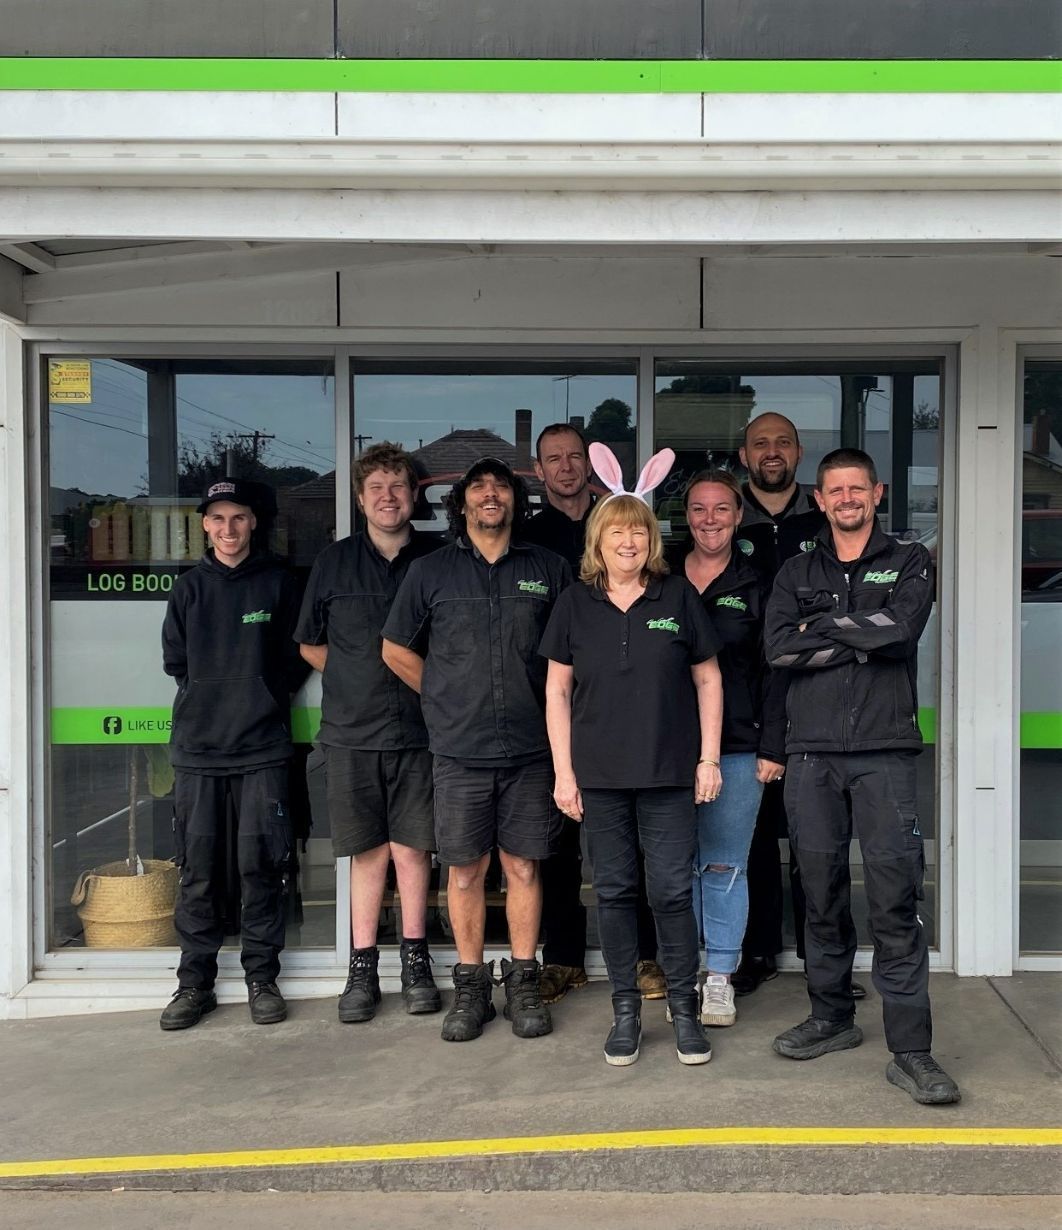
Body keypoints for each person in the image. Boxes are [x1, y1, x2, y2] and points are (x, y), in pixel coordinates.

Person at [765, 447, 960, 1105]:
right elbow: (779, 648)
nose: (846, 499)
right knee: (818, 892)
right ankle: (831, 1017)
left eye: (857, 488)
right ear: (819, 500)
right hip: (811, 755)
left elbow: (900, 631)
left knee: (894, 900)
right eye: (835, 490)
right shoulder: (796, 570)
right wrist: (856, 637)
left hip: (885, 752)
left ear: (876, 494)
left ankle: (912, 1051)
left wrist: (818, 627)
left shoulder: (910, 560)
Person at [541, 445, 724, 1067]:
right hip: (599, 779)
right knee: (616, 892)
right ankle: (624, 1011)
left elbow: (708, 678)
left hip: (669, 774)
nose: (629, 541)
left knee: (670, 892)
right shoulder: (574, 603)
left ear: (652, 539)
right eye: (617, 531)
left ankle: (684, 1011)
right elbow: (556, 691)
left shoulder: (676, 598)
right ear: (599, 539)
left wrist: (708, 759)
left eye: (639, 531)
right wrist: (564, 773)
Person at [381, 458, 571, 1042]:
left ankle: (523, 982)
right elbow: (395, 648)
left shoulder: (549, 568)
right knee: (464, 871)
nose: (491, 496)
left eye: (501, 487)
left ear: (516, 500)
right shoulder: (430, 572)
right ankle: (471, 988)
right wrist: (441, 694)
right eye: (479, 488)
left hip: (531, 749)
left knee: (523, 867)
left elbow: (572, 652)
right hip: (459, 751)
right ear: (461, 502)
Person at [295, 443, 442, 1024]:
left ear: (414, 496)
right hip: (351, 733)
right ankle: (362, 970)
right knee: (367, 852)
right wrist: (357, 676)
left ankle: (415, 963)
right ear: (360, 499)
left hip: (423, 732)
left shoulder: (439, 559)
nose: (388, 497)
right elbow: (309, 644)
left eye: (398, 486)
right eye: (376, 488)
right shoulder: (333, 563)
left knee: (413, 849)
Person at [524, 423, 667, 1006]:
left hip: (627, 720)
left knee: (637, 850)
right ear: (539, 470)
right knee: (560, 845)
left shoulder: (621, 521)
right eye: (553, 459)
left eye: (574, 456)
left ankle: (645, 957)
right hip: (558, 712)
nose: (565, 467)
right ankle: (562, 958)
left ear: (591, 464)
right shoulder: (529, 537)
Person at [160, 478, 305, 1030]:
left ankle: (261, 979)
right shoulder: (188, 589)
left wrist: (263, 695)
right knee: (198, 872)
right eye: (218, 518)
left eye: (238, 517)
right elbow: (176, 662)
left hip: (263, 749)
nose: (229, 528)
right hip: (198, 752)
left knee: (259, 866)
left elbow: (297, 656)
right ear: (205, 525)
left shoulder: (278, 584)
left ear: (253, 522)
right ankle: (193, 984)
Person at [734, 412, 867, 1001]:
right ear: (744, 456)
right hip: (746, 700)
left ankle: (825, 960)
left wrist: (809, 637)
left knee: (820, 843)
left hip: (817, 693)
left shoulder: (824, 521)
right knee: (755, 837)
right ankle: (758, 950)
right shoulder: (726, 517)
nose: (772, 452)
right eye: (760, 443)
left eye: (782, 443)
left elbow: (851, 612)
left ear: (798, 453)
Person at [677, 470, 787, 1028]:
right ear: (686, 516)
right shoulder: (659, 578)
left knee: (723, 865)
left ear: (739, 516)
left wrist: (774, 745)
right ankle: (682, 975)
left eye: (722, 508)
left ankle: (719, 976)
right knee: (674, 869)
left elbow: (776, 670)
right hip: (665, 749)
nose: (710, 519)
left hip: (741, 746)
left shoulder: (759, 585)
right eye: (699, 508)